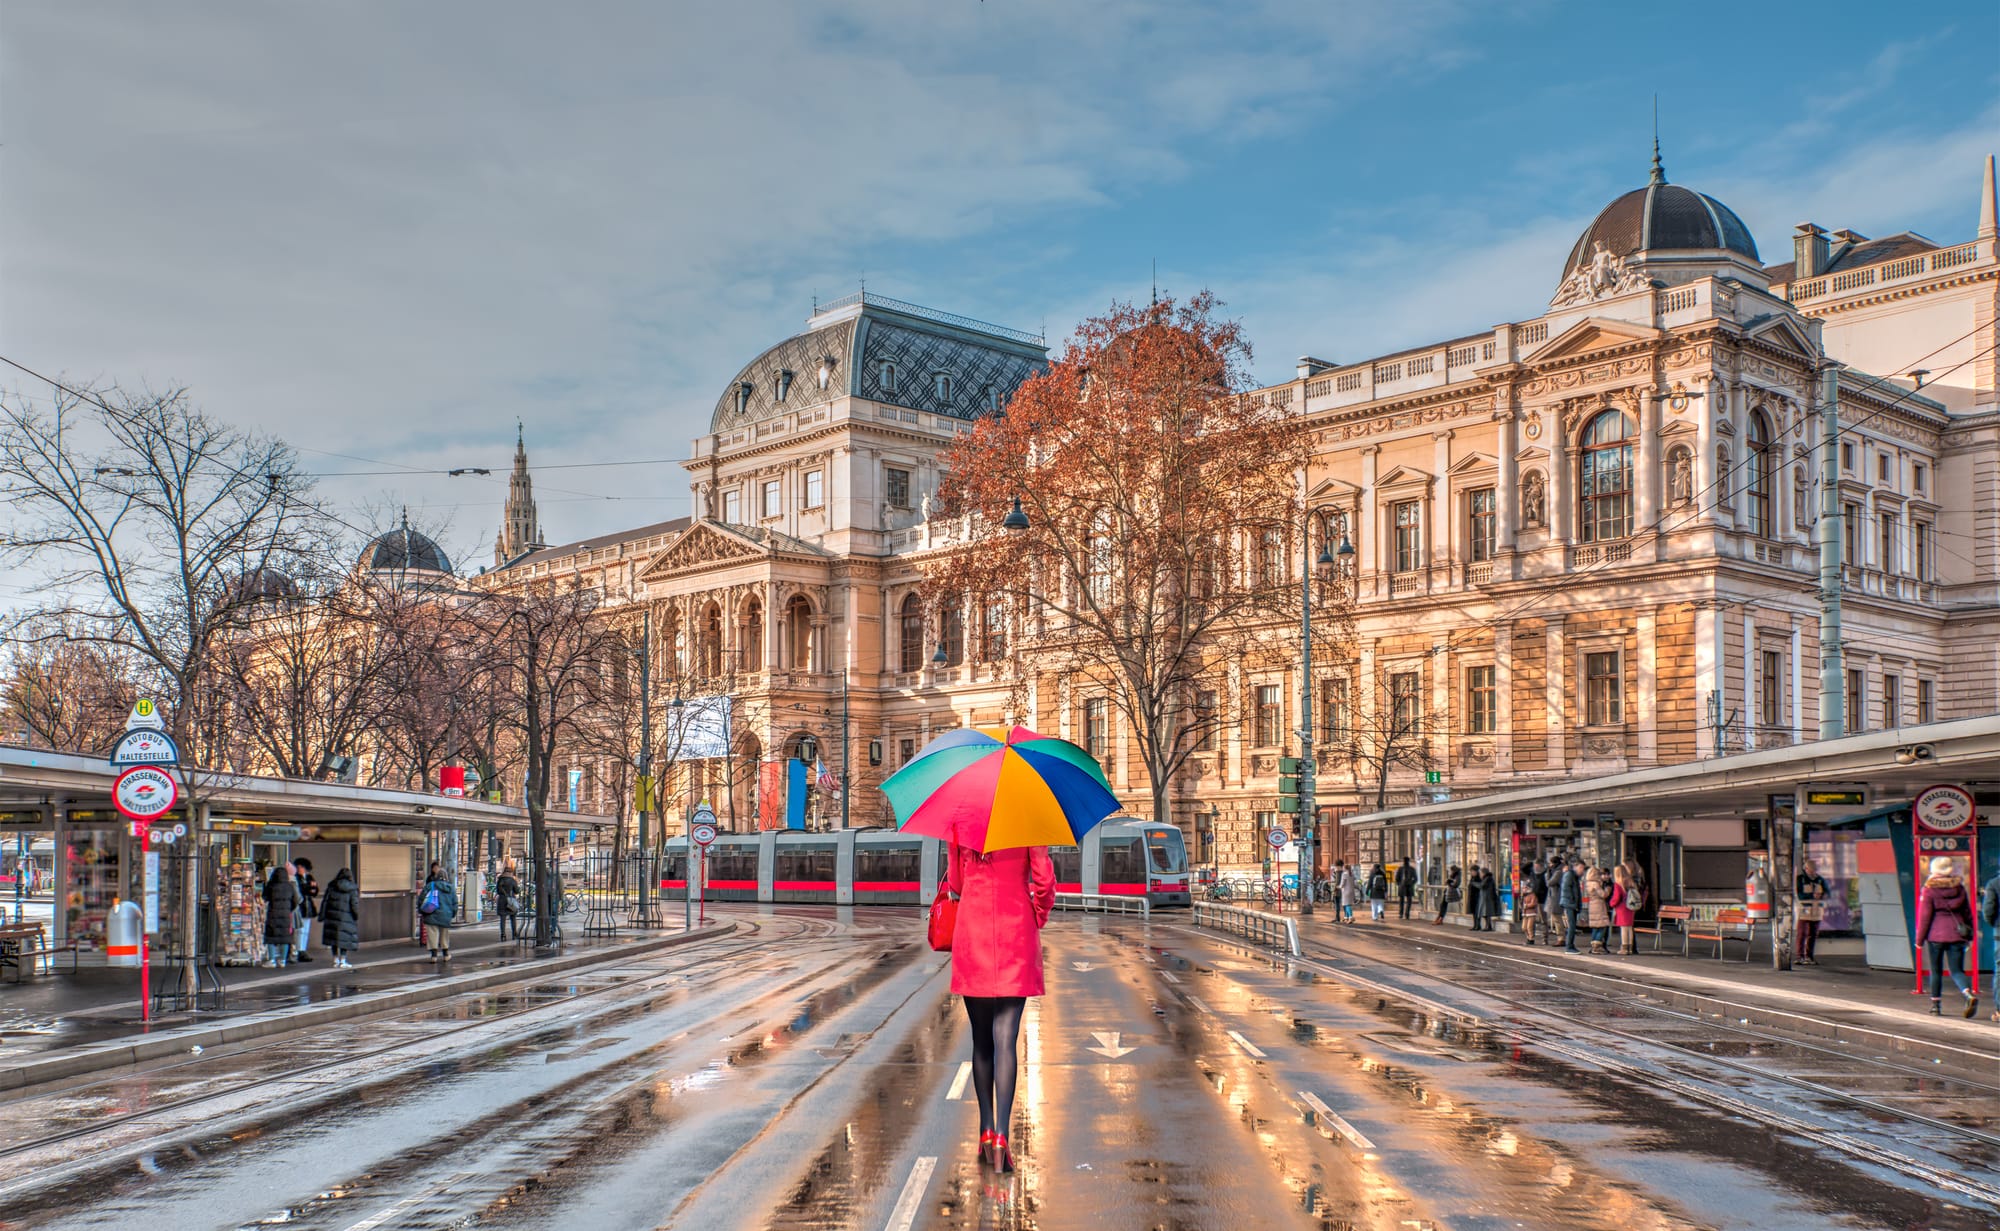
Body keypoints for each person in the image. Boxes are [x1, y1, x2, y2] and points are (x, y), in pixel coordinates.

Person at [946, 836, 1055, 1174]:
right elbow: (1044, 881)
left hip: (973, 930)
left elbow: (956, 882)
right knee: (1006, 1039)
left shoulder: (961, 820)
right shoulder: (1028, 818)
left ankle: (986, 1130)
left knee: (981, 1042)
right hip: (1015, 931)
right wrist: (1036, 913)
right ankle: (1004, 1138)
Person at [1915, 857, 1978, 1018]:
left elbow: (1925, 917)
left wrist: (1919, 940)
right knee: (1957, 970)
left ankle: (1936, 1005)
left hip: (1936, 935)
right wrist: (1969, 935)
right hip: (1957, 934)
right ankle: (1968, 994)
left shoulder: (1929, 890)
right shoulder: (1959, 887)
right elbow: (1967, 914)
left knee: (1936, 971)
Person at [319, 867, 361, 968]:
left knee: (334, 939)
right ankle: (343, 960)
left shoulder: (331, 886)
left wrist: (322, 915)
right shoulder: (352, 888)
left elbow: (325, 901)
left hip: (331, 916)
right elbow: (354, 904)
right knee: (344, 939)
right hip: (346, 917)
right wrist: (356, 915)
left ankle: (335, 960)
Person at [261, 864, 299, 968]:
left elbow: (265, 897)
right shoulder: (290, 886)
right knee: (285, 937)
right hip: (286, 914)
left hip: (273, 913)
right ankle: (282, 960)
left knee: (271, 936)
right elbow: (296, 900)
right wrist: (289, 909)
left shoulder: (271, 886)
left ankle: (272, 960)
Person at [420, 861, 459, 962]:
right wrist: (452, 914)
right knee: (444, 934)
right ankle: (446, 954)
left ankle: (434, 956)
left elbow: (421, 899)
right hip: (446, 915)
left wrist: (422, 911)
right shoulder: (451, 888)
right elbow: (455, 903)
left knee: (433, 934)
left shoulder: (430, 886)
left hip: (431, 913)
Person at [1795, 859, 1830, 966]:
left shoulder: (1820, 880)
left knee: (1813, 934)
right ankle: (1800, 956)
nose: (1813, 872)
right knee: (1802, 933)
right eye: (1811, 870)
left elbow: (1828, 892)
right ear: (1806, 869)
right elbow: (1799, 894)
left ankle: (1809, 956)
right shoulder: (1800, 879)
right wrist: (1812, 896)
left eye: (1815, 870)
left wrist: (1823, 896)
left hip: (1817, 911)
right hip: (1804, 910)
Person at [292, 857, 320, 963]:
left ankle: (303, 949)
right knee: (300, 930)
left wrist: (310, 888)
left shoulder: (309, 877)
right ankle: (299, 950)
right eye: (298, 867)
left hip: (308, 906)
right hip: (300, 906)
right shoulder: (296, 878)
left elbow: (315, 891)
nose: (299, 869)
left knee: (306, 930)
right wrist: (310, 888)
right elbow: (302, 890)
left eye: (301, 867)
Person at [1557, 858, 1583, 952]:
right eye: (1580, 868)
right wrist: (1572, 902)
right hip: (1569, 904)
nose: (1582, 871)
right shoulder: (1569, 875)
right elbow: (1566, 889)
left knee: (1572, 925)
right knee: (1571, 925)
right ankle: (1569, 946)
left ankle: (1570, 945)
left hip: (1571, 903)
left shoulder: (1574, 876)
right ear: (1575, 867)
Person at [494, 859, 523, 941]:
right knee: (513, 918)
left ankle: (503, 935)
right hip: (511, 900)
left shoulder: (500, 880)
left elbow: (497, 891)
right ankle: (514, 934)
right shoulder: (512, 880)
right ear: (510, 873)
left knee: (502, 919)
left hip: (502, 900)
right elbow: (517, 891)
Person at [1611, 865, 1635, 955]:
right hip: (1631, 907)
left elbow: (1616, 897)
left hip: (1622, 907)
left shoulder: (1618, 884)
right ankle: (1630, 947)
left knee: (1623, 928)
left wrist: (1611, 904)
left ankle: (1624, 948)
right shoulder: (1630, 882)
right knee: (1629, 928)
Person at [1518, 862, 1541, 945]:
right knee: (1524, 927)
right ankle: (1528, 937)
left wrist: (1526, 905)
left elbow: (1533, 902)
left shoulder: (1532, 893)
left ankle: (1531, 939)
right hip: (1525, 912)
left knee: (1529, 926)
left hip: (1531, 912)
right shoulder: (1530, 878)